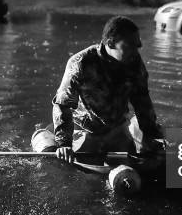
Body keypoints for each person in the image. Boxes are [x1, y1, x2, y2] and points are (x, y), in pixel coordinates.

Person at [52, 16, 163, 163]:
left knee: (143, 162)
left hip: (117, 130)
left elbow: (142, 101)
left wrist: (152, 137)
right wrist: (64, 144)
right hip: (86, 132)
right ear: (110, 43)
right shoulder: (80, 63)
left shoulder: (134, 63)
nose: (137, 49)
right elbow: (63, 104)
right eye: (131, 45)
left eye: (138, 44)